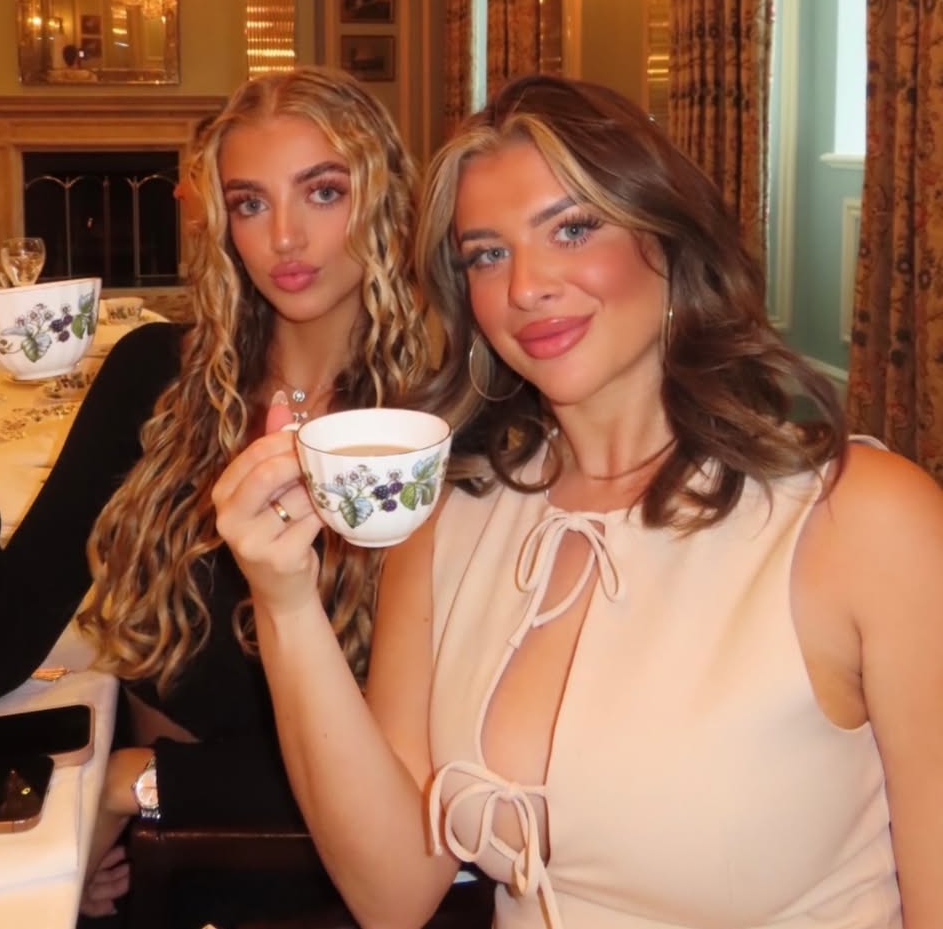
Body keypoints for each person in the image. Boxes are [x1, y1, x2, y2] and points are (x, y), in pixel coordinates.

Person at [213, 73, 943, 928]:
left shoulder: (864, 522)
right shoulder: (454, 514)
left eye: (572, 227)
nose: (525, 286)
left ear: (667, 237)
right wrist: (285, 599)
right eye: (487, 254)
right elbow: (392, 893)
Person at [0, 66, 429, 924]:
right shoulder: (158, 380)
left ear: (384, 198)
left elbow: (423, 776)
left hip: (312, 876)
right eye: (250, 203)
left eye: (323, 191)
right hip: (159, 858)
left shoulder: (424, 433)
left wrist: (132, 783)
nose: (285, 236)